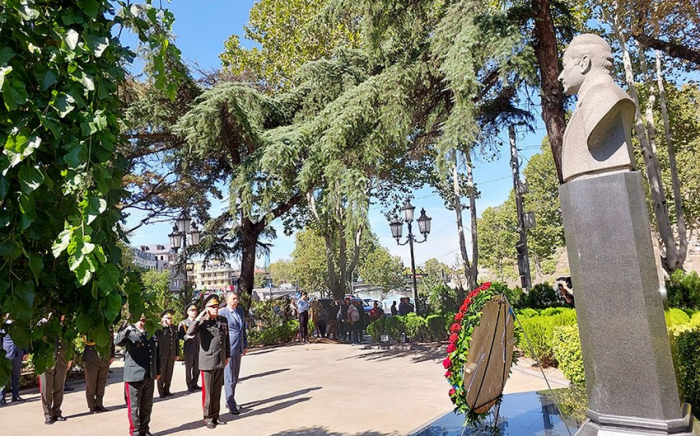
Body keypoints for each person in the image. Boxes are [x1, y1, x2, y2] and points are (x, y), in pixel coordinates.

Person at [557, 34, 636, 183]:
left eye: (565, 67)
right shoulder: (587, 102)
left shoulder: (606, 97)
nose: (560, 76)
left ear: (584, 63)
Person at [187, 294, 230, 429]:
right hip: (207, 361)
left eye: (216, 306)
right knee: (208, 393)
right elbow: (190, 332)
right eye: (212, 307)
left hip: (220, 360)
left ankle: (216, 416)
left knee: (217, 390)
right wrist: (199, 317)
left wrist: (227, 355)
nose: (215, 309)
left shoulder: (222, 320)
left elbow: (226, 339)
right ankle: (208, 417)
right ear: (206, 309)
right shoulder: (202, 322)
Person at [115, 314, 161, 436]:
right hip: (134, 375)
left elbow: (157, 352)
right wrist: (126, 327)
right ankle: (135, 431)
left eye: (145, 316)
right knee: (134, 407)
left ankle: (145, 429)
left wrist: (157, 370)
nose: (143, 318)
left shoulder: (151, 331)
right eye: (140, 315)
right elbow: (118, 341)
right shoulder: (130, 331)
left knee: (147, 405)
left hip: (149, 374)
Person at [38, 319, 73, 425]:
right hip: (46, 362)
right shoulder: (43, 325)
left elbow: (70, 343)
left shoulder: (65, 327)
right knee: (46, 390)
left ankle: (57, 412)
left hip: (61, 362)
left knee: (59, 388)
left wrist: (70, 358)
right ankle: (48, 414)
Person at [219, 291, 247, 416]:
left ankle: (230, 399)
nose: (236, 301)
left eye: (237, 299)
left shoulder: (240, 311)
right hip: (228, 349)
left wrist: (245, 345)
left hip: (238, 348)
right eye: (233, 299)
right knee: (229, 377)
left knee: (235, 376)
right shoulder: (222, 313)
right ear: (227, 300)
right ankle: (231, 403)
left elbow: (243, 330)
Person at [82, 330, 115, 413]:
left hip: (105, 358)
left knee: (101, 383)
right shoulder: (91, 323)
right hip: (92, 358)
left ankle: (99, 404)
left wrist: (112, 355)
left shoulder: (108, 325)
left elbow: (111, 341)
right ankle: (92, 405)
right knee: (91, 383)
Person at [0, 316, 28, 406]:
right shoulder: (3, 326)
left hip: (18, 354)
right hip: (7, 354)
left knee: (15, 376)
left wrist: (25, 352)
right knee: (4, 377)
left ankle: (15, 396)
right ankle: (1, 398)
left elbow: (23, 339)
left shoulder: (19, 325)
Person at [156, 309, 179, 398]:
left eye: (171, 318)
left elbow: (176, 341)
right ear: (163, 319)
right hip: (162, 354)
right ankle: (161, 391)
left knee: (169, 373)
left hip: (171, 354)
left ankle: (167, 389)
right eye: (168, 318)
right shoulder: (160, 328)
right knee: (161, 374)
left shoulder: (173, 328)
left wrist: (176, 353)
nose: (170, 320)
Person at [178, 303, 200, 392]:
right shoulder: (183, 323)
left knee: (197, 367)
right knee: (188, 367)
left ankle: (195, 383)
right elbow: (180, 335)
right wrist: (186, 337)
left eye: (195, 310)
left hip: (198, 347)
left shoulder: (198, 322)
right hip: (189, 347)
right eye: (192, 310)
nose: (194, 312)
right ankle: (189, 384)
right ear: (187, 312)